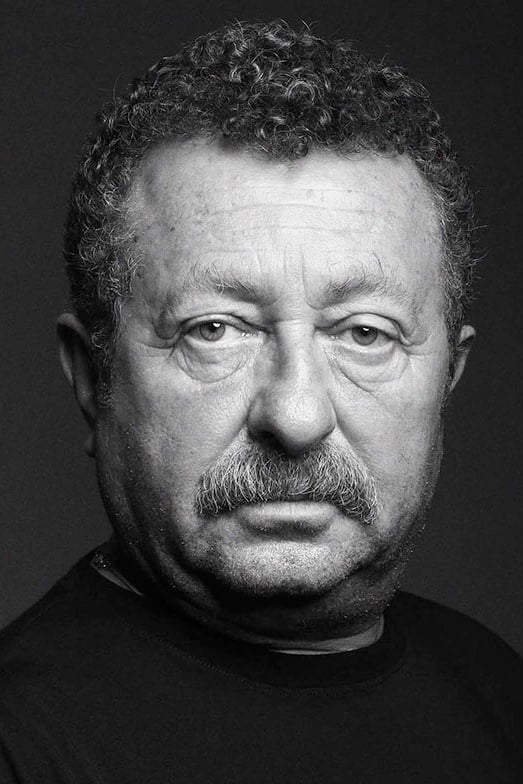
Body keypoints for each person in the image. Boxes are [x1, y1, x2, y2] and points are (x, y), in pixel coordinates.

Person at [0, 19, 521, 783]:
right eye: (214, 329)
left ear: (447, 376)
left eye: (365, 333)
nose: (296, 415)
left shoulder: (498, 693)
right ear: (92, 378)